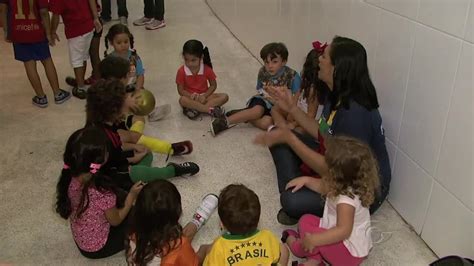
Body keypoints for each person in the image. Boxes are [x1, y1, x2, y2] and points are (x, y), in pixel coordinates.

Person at [255, 36, 391, 225]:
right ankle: (301, 186)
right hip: (335, 163)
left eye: (325, 57)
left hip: (360, 188)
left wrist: (290, 138)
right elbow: (324, 132)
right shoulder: (336, 92)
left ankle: (302, 190)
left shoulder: (355, 115)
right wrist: (291, 109)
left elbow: (338, 171)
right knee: (278, 138)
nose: (319, 59)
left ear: (337, 68)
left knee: (291, 201)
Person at [281, 136, 379, 266]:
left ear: (336, 173)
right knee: (305, 220)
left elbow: (343, 231)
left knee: (313, 235)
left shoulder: (346, 202)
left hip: (348, 253)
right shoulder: (344, 183)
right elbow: (324, 186)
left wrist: (315, 239)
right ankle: (315, 259)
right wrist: (306, 180)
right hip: (336, 233)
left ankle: (296, 247)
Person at [86, 79, 199, 191]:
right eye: (124, 100)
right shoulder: (101, 136)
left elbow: (118, 146)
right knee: (137, 172)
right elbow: (101, 165)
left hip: (116, 159)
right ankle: (172, 170)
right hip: (107, 175)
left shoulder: (108, 124)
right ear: (114, 110)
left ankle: (143, 175)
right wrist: (129, 161)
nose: (129, 100)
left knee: (146, 152)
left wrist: (134, 148)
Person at [55, 126, 145, 259]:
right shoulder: (102, 192)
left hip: (82, 239)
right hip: (98, 247)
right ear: (100, 160)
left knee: (122, 204)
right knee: (141, 216)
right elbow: (116, 221)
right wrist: (132, 195)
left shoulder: (70, 176)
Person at [211, 42, 301, 136]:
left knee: (267, 123)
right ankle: (225, 122)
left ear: (284, 61)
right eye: (266, 62)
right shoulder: (263, 71)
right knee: (257, 111)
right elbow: (260, 89)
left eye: (274, 62)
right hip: (264, 101)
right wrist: (268, 93)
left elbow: (297, 99)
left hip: (279, 108)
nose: (270, 66)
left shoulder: (292, 76)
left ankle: (244, 115)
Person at [127, 179, 219, 265]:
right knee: (204, 249)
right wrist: (205, 249)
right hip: (173, 255)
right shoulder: (179, 247)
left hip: (154, 249)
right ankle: (197, 221)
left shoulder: (133, 233)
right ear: (177, 212)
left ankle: (195, 222)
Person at [0, 0, 70, 107]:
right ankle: (58, 93)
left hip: (18, 32)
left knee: (29, 64)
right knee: (47, 60)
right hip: (37, 31)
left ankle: (41, 97)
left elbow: (2, 9)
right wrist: (48, 33)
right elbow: (44, 12)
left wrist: (6, 30)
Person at [203, 184, 289, 265]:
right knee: (283, 249)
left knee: (207, 250)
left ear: (222, 224)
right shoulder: (268, 236)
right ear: (258, 220)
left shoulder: (219, 246)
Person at [104, 24, 171, 122]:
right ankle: (125, 116)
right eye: (119, 43)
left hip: (133, 88)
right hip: (117, 91)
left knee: (140, 98)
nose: (123, 45)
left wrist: (138, 89)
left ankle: (150, 112)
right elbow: (108, 81)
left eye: (126, 42)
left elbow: (140, 74)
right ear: (111, 43)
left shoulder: (134, 57)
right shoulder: (110, 60)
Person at [49, 0, 102, 99]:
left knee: (77, 60)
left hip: (75, 30)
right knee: (83, 56)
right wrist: (95, 18)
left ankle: (80, 88)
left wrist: (52, 31)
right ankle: (80, 81)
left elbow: (55, 15)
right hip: (89, 25)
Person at [271, 41, 328, 133]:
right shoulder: (304, 82)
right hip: (299, 112)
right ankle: (281, 127)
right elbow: (295, 98)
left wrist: (294, 123)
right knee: (275, 108)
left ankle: (283, 132)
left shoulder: (313, 90)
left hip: (311, 122)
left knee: (299, 131)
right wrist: (290, 112)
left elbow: (310, 117)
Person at [176, 39, 228, 120]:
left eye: (193, 60)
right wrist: (191, 96)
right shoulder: (181, 71)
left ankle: (195, 109)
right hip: (190, 98)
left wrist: (204, 96)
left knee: (224, 96)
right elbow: (180, 91)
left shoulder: (207, 69)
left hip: (205, 97)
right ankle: (209, 110)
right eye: (186, 60)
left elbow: (213, 85)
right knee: (182, 100)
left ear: (201, 57)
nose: (190, 63)